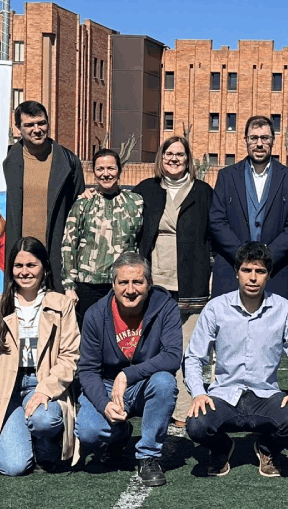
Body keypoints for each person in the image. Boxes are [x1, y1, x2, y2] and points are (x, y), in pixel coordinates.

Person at [185, 242, 288, 477]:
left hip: (265, 396)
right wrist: (198, 393)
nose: (252, 278)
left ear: (268, 275)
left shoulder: (283, 309)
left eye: (260, 271)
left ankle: (267, 447)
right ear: (237, 272)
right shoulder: (216, 308)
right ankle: (222, 447)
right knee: (196, 425)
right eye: (246, 270)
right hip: (224, 395)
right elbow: (194, 357)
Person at [0, 237, 80, 476]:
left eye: (31, 265)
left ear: (44, 267)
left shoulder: (62, 305)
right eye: (18, 266)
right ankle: (20, 433)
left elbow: (70, 357)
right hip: (5, 390)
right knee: (14, 467)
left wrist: (45, 390)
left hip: (42, 384)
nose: (25, 272)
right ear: (10, 269)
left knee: (44, 421)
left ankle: (44, 442)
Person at [75, 252, 181, 487]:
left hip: (146, 383)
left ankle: (149, 456)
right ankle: (120, 434)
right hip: (107, 383)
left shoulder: (166, 307)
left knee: (165, 382)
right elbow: (88, 370)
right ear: (113, 284)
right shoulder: (95, 314)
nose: (130, 290)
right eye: (123, 282)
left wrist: (128, 374)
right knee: (88, 432)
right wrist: (104, 404)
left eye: (138, 282)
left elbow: (173, 356)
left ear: (149, 284)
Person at [132, 136, 214, 426]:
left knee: (189, 347)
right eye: (169, 153)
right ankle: (153, 406)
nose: (174, 159)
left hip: (191, 279)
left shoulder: (203, 192)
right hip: (155, 278)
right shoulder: (146, 190)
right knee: (157, 347)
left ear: (188, 159)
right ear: (161, 157)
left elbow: (214, 235)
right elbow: (124, 212)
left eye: (180, 154)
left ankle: (185, 411)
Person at [209, 115, 288, 301]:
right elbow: (217, 221)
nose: (259, 144)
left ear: (273, 140)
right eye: (254, 138)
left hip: (274, 272)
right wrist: (241, 255)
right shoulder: (227, 176)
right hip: (231, 269)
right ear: (245, 140)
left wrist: (267, 256)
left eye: (265, 138)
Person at [3, 100, 86, 281]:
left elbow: (79, 211)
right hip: (19, 258)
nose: (37, 129)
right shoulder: (6, 160)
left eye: (41, 123)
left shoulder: (69, 162)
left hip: (55, 258)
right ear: (18, 128)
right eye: (29, 125)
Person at [61, 149, 144, 325]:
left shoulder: (135, 202)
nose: (105, 174)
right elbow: (69, 244)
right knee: (90, 339)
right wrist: (69, 286)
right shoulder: (83, 203)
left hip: (123, 285)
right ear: (94, 172)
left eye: (111, 168)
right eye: (100, 169)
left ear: (120, 170)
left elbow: (143, 240)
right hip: (88, 285)